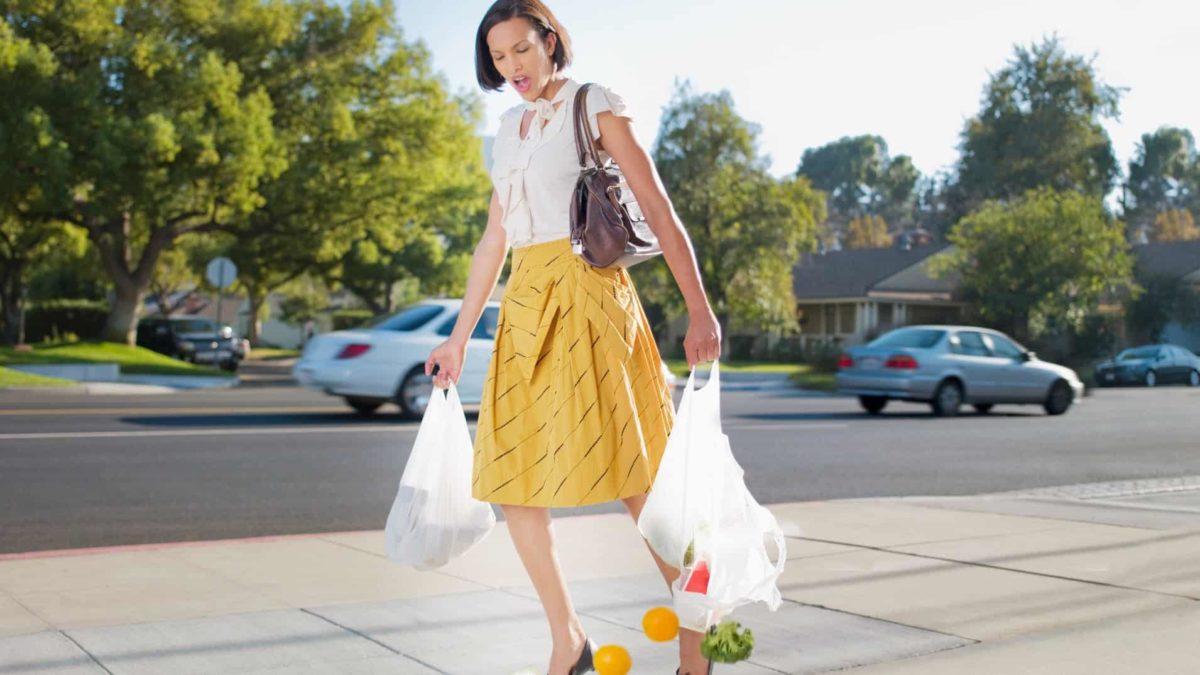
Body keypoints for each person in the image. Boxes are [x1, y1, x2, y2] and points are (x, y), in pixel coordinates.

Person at [425, 1, 721, 673]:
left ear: (550, 41)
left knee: (637, 475)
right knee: (513, 480)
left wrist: (699, 310)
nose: (512, 67)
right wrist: (457, 336)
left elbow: (656, 205)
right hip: (525, 308)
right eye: (499, 58)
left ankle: (695, 634)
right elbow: (494, 240)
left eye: (521, 50)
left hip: (591, 299)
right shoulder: (507, 128)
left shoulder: (593, 105)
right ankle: (569, 639)